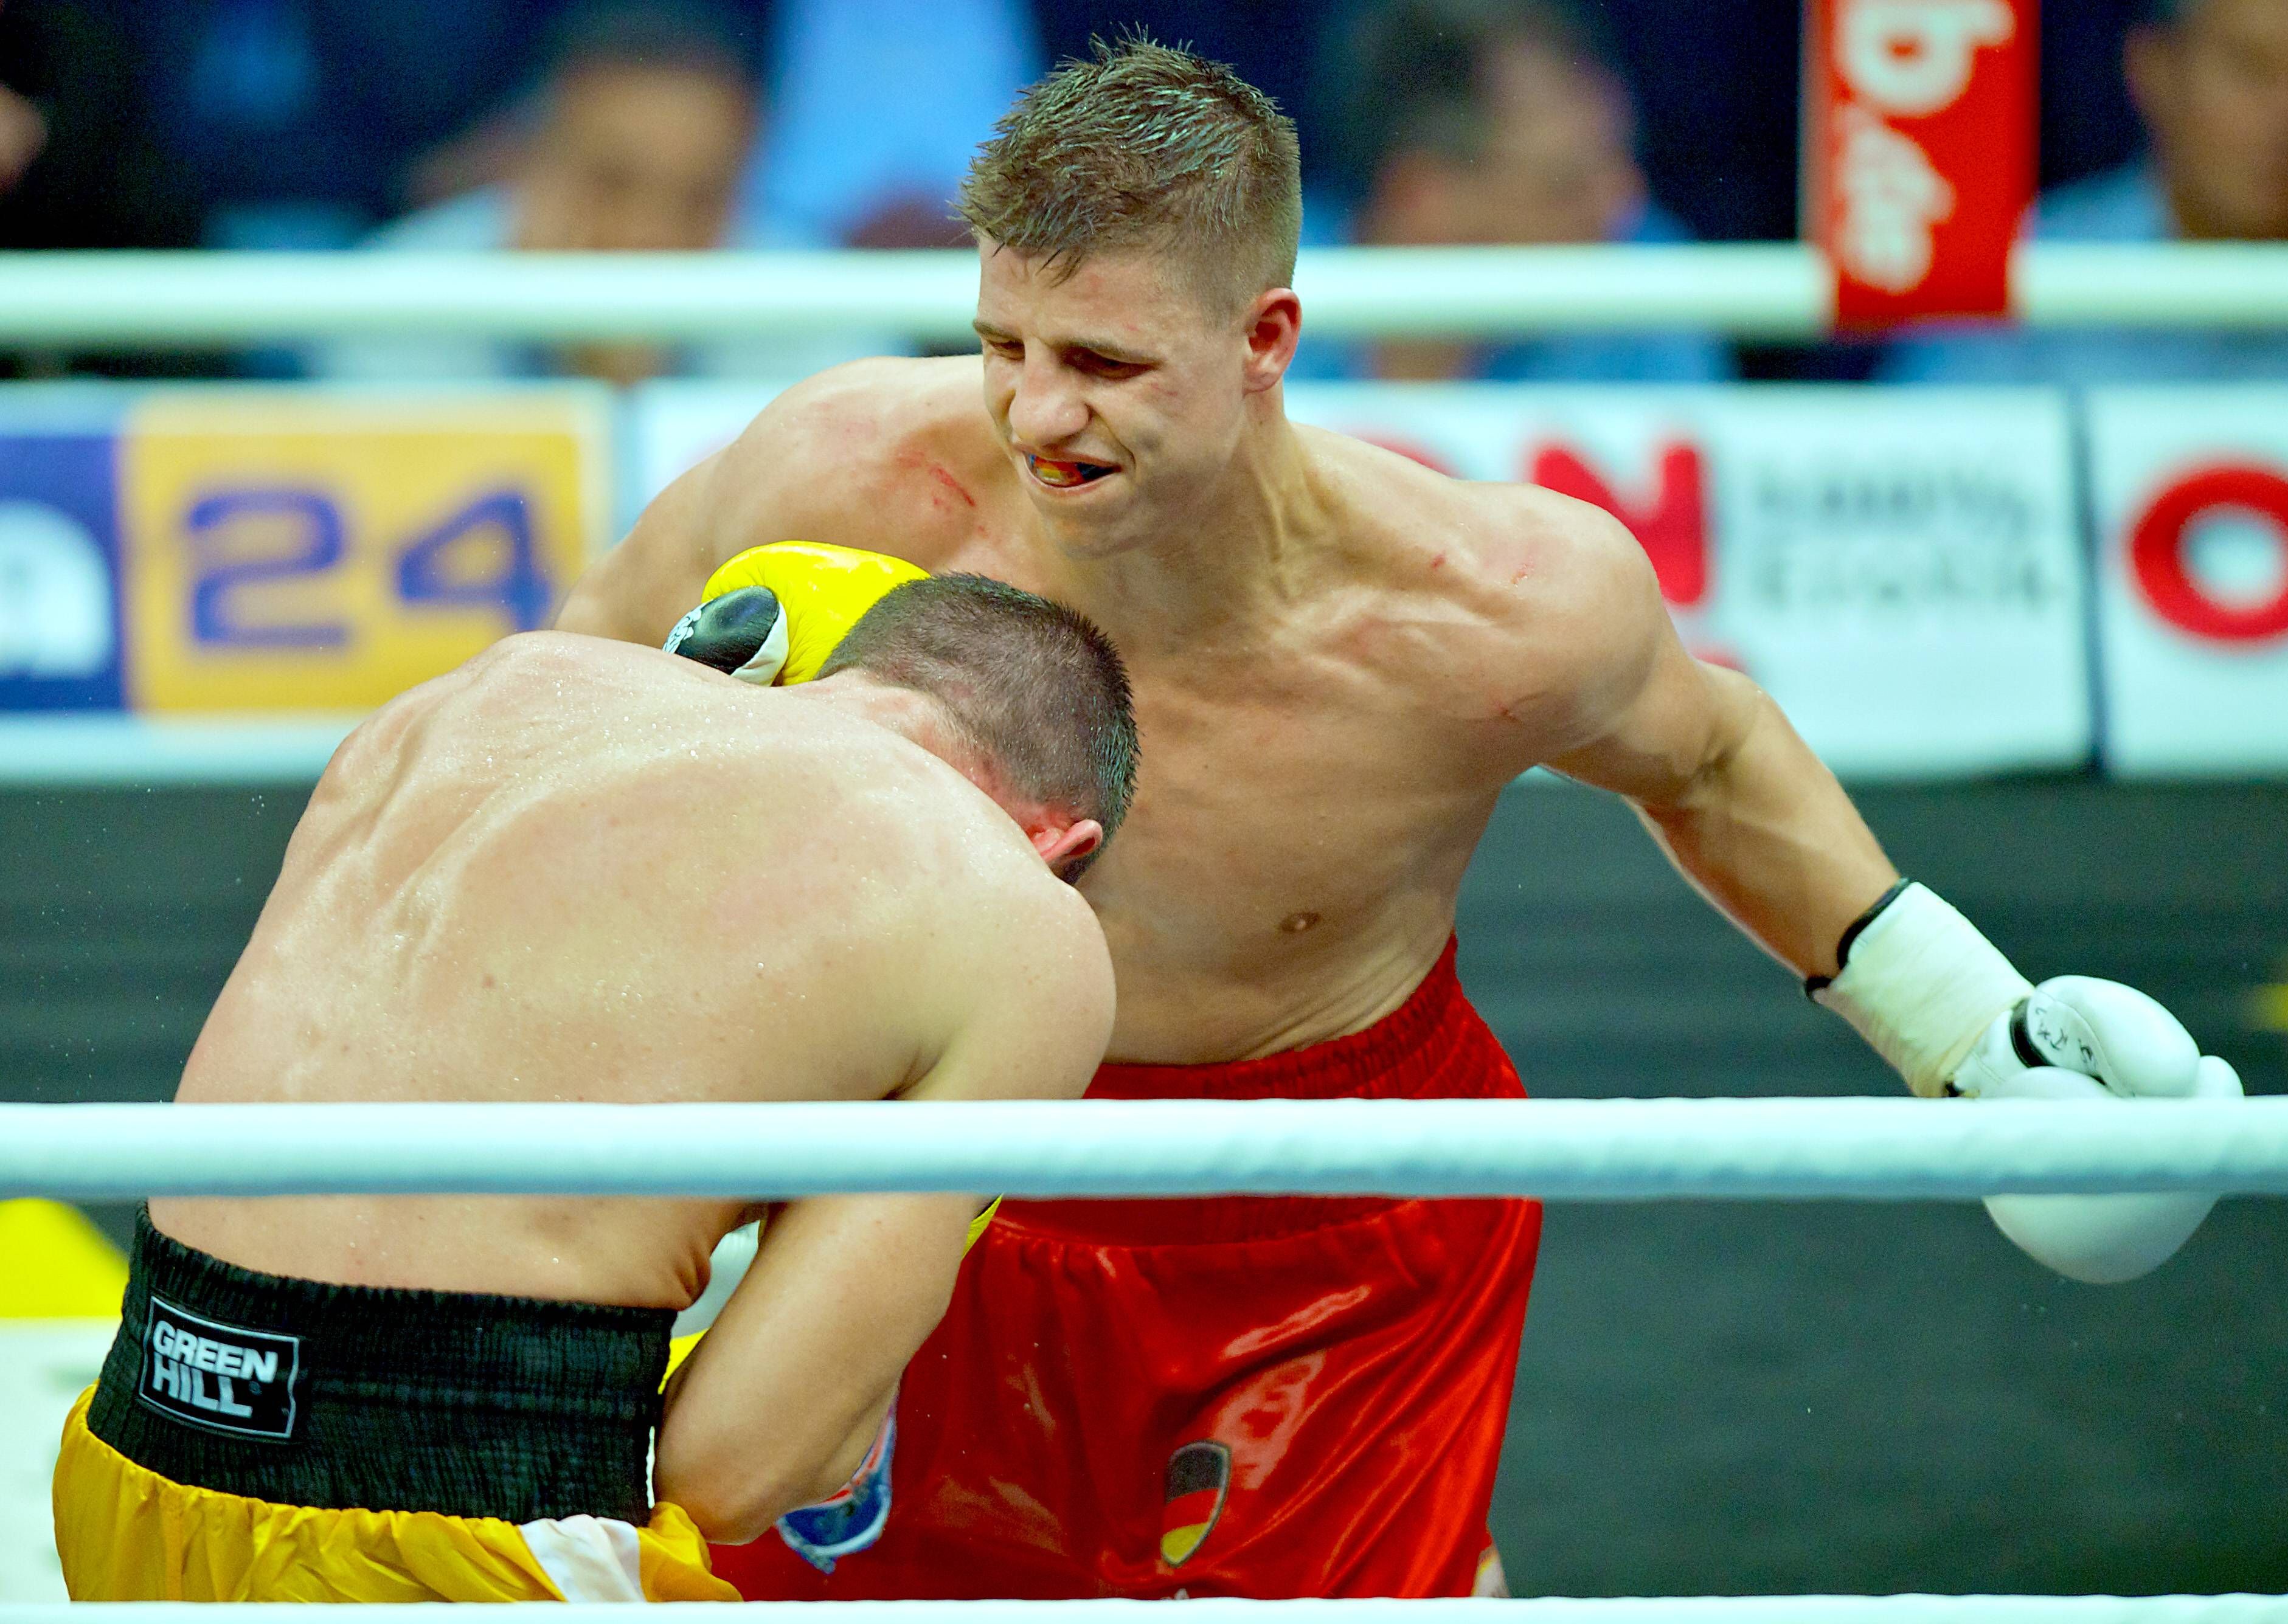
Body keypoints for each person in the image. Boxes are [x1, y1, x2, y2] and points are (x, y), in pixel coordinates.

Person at [555, 37, 2245, 1600]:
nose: (1032, 411)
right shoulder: (845, 475)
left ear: (1267, 341)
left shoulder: (1481, 603)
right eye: (1004, 345)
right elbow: (550, 694)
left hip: (1336, 1213)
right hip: (930, 1154)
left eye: (1103, 360)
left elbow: (1715, 758)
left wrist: (1964, 1031)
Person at [50, 564, 1137, 1602]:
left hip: (136, 1443)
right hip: (466, 1523)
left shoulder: (498, 683)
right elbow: (735, 1469)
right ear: (1061, 842)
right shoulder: (1014, 912)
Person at [310, 2, 877, 387]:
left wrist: (629, 384)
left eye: (701, 197)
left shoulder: (820, 310)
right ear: (526, 159)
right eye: (611, 182)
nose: (649, 234)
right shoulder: (393, 301)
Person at [1292, 0, 1732, 384]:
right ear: (1422, 194)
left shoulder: (1651, 295)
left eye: (1619, 157)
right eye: (1566, 186)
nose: (1626, 205)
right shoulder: (1250, 291)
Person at [1884, 0, 2288, 384]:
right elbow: (1916, 446)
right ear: (2155, 68)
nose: (2282, 115)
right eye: (2252, 68)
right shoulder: (2027, 269)